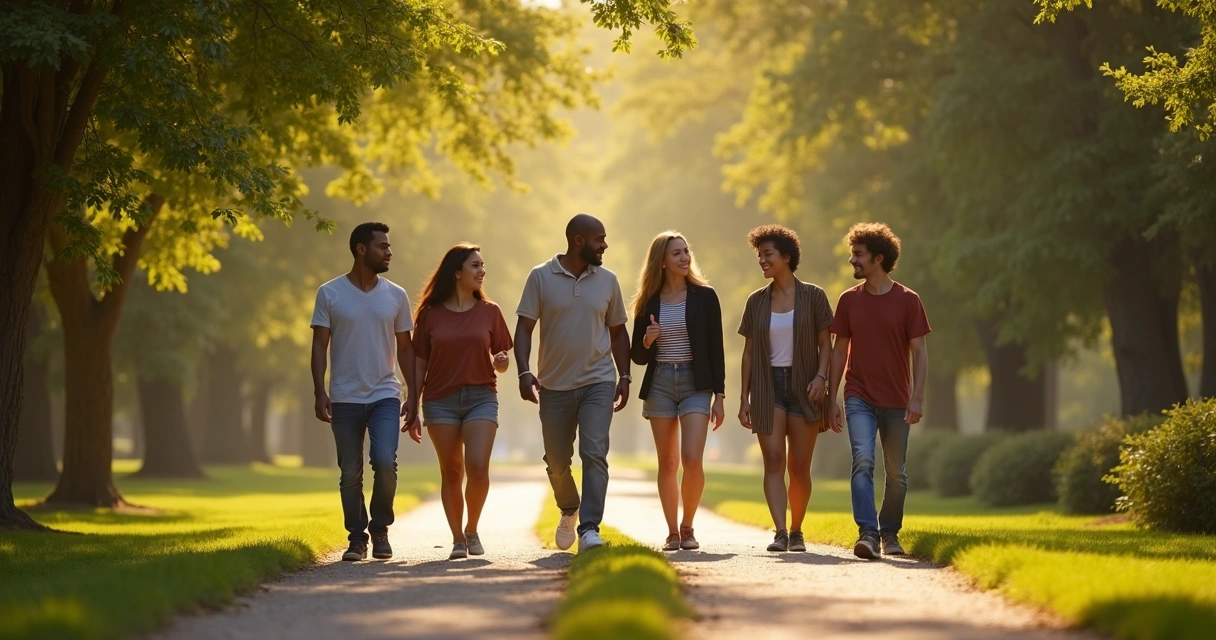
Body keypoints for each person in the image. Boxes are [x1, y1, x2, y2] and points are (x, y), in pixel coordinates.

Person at [515, 213, 632, 553]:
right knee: (557, 461)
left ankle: (590, 528)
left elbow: (618, 331)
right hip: (554, 385)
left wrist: (623, 375)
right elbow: (524, 329)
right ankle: (569, 508)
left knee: (594, 452)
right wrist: (524, 371)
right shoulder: (540, 277)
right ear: (579, 240)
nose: (605, 245)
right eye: (600, 239)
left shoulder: (608, 280)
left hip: (598, 380)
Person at [310, 221, 421, 562]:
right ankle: (357, 538)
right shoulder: (329, 293)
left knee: (385, 462)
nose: (389, 252)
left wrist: (414, 396)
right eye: (382, 247)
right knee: (349, 472)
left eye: (388, 246)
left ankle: (381, 529)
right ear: (361, 249)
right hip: (343, 396)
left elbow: (406, 349)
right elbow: (319, 346)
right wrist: (319, 391)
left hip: (385, 394)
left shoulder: (396, 295)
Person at [826, 222, 931, 560]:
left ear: (878, 259)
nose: (852, 261)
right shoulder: (848, 301)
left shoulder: (908, 301)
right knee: (863, 460)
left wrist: (917, 396)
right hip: (859, 394)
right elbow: (839, 351)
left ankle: (890, 532)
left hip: (898, 399)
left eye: (858, 255)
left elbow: (919, 352)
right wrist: (832, 399)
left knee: (897, 474)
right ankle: (868, 533)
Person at [737, 224, 836, 553]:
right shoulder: (756, 301)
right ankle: (780, 531)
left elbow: (827, 344)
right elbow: (749, 352)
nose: (762, 261)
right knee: (775, 461)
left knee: (798, 467)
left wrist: (822, 378)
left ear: (786, 257)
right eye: (759, 255)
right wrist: (743, 398)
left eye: (767, 255)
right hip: (768, 388)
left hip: (806, 386)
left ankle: (797, 530)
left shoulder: (814, 296)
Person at [413, 244, 513, 560]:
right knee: (452, 471)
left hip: (481, 396)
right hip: (439, 399)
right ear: (457, 272)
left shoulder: (490, 312)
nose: (482, 271)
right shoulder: (430, 315)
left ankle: (472, 528)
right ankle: (457, 538)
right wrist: (412, 403)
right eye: (475, 265)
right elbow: (419, 364)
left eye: (483, 265)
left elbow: (503, 359)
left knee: (478, 467)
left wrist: (500, 362)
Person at [629, 231, 726, 551]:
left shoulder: (705, 296)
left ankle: (688, 527)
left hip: (695, 384)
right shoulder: (648, 301)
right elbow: (637, 356)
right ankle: (671, 531)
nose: (684, 257)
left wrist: (720, 396)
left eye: (686, 251)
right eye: (676, 253)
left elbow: (716, 349)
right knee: (668, 462)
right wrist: (648, 339)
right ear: (661, 262)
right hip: (660, 384)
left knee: (692, 458)